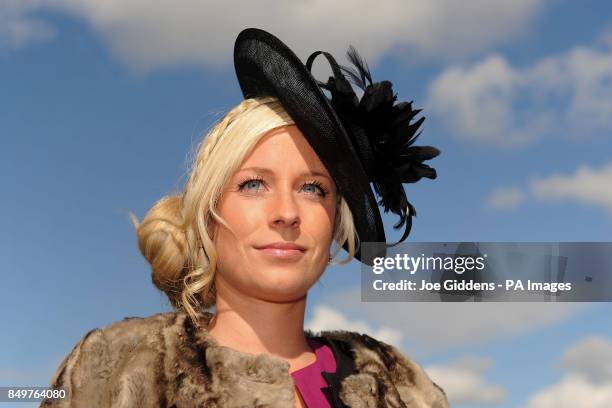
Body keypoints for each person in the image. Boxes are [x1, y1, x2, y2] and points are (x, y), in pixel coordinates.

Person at [41, 29, 448, 408]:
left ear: (336, 225)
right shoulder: (117, 367)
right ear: (208, 211)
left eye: (313, 189)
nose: (287, 213)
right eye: (253, 184)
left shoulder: (398, 385)